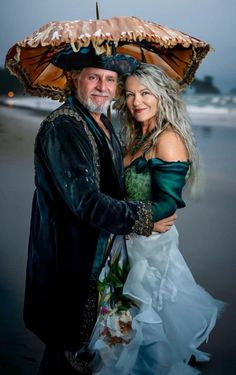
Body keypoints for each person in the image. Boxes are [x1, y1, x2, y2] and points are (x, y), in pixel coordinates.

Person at [23, 46, 176, 375]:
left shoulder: (104, 123)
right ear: (74, 78)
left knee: (91, 351)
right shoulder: (64, 127)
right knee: (66, 351)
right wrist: (145, 218)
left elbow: (112, 188)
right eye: (93, 77)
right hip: (68, 261)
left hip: (100, 258)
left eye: (110, 79)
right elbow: (87, 203)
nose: (102, 87)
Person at [88, 63, 225, 375]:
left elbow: (167, 204)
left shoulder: (168, 140)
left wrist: (137, 220)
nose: (137, 101)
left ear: (162, 96)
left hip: (150, 248)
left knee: (145, 325)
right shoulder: (134, 136)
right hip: (125, 239)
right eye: (131, 94)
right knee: (122, 322)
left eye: (146, 93)